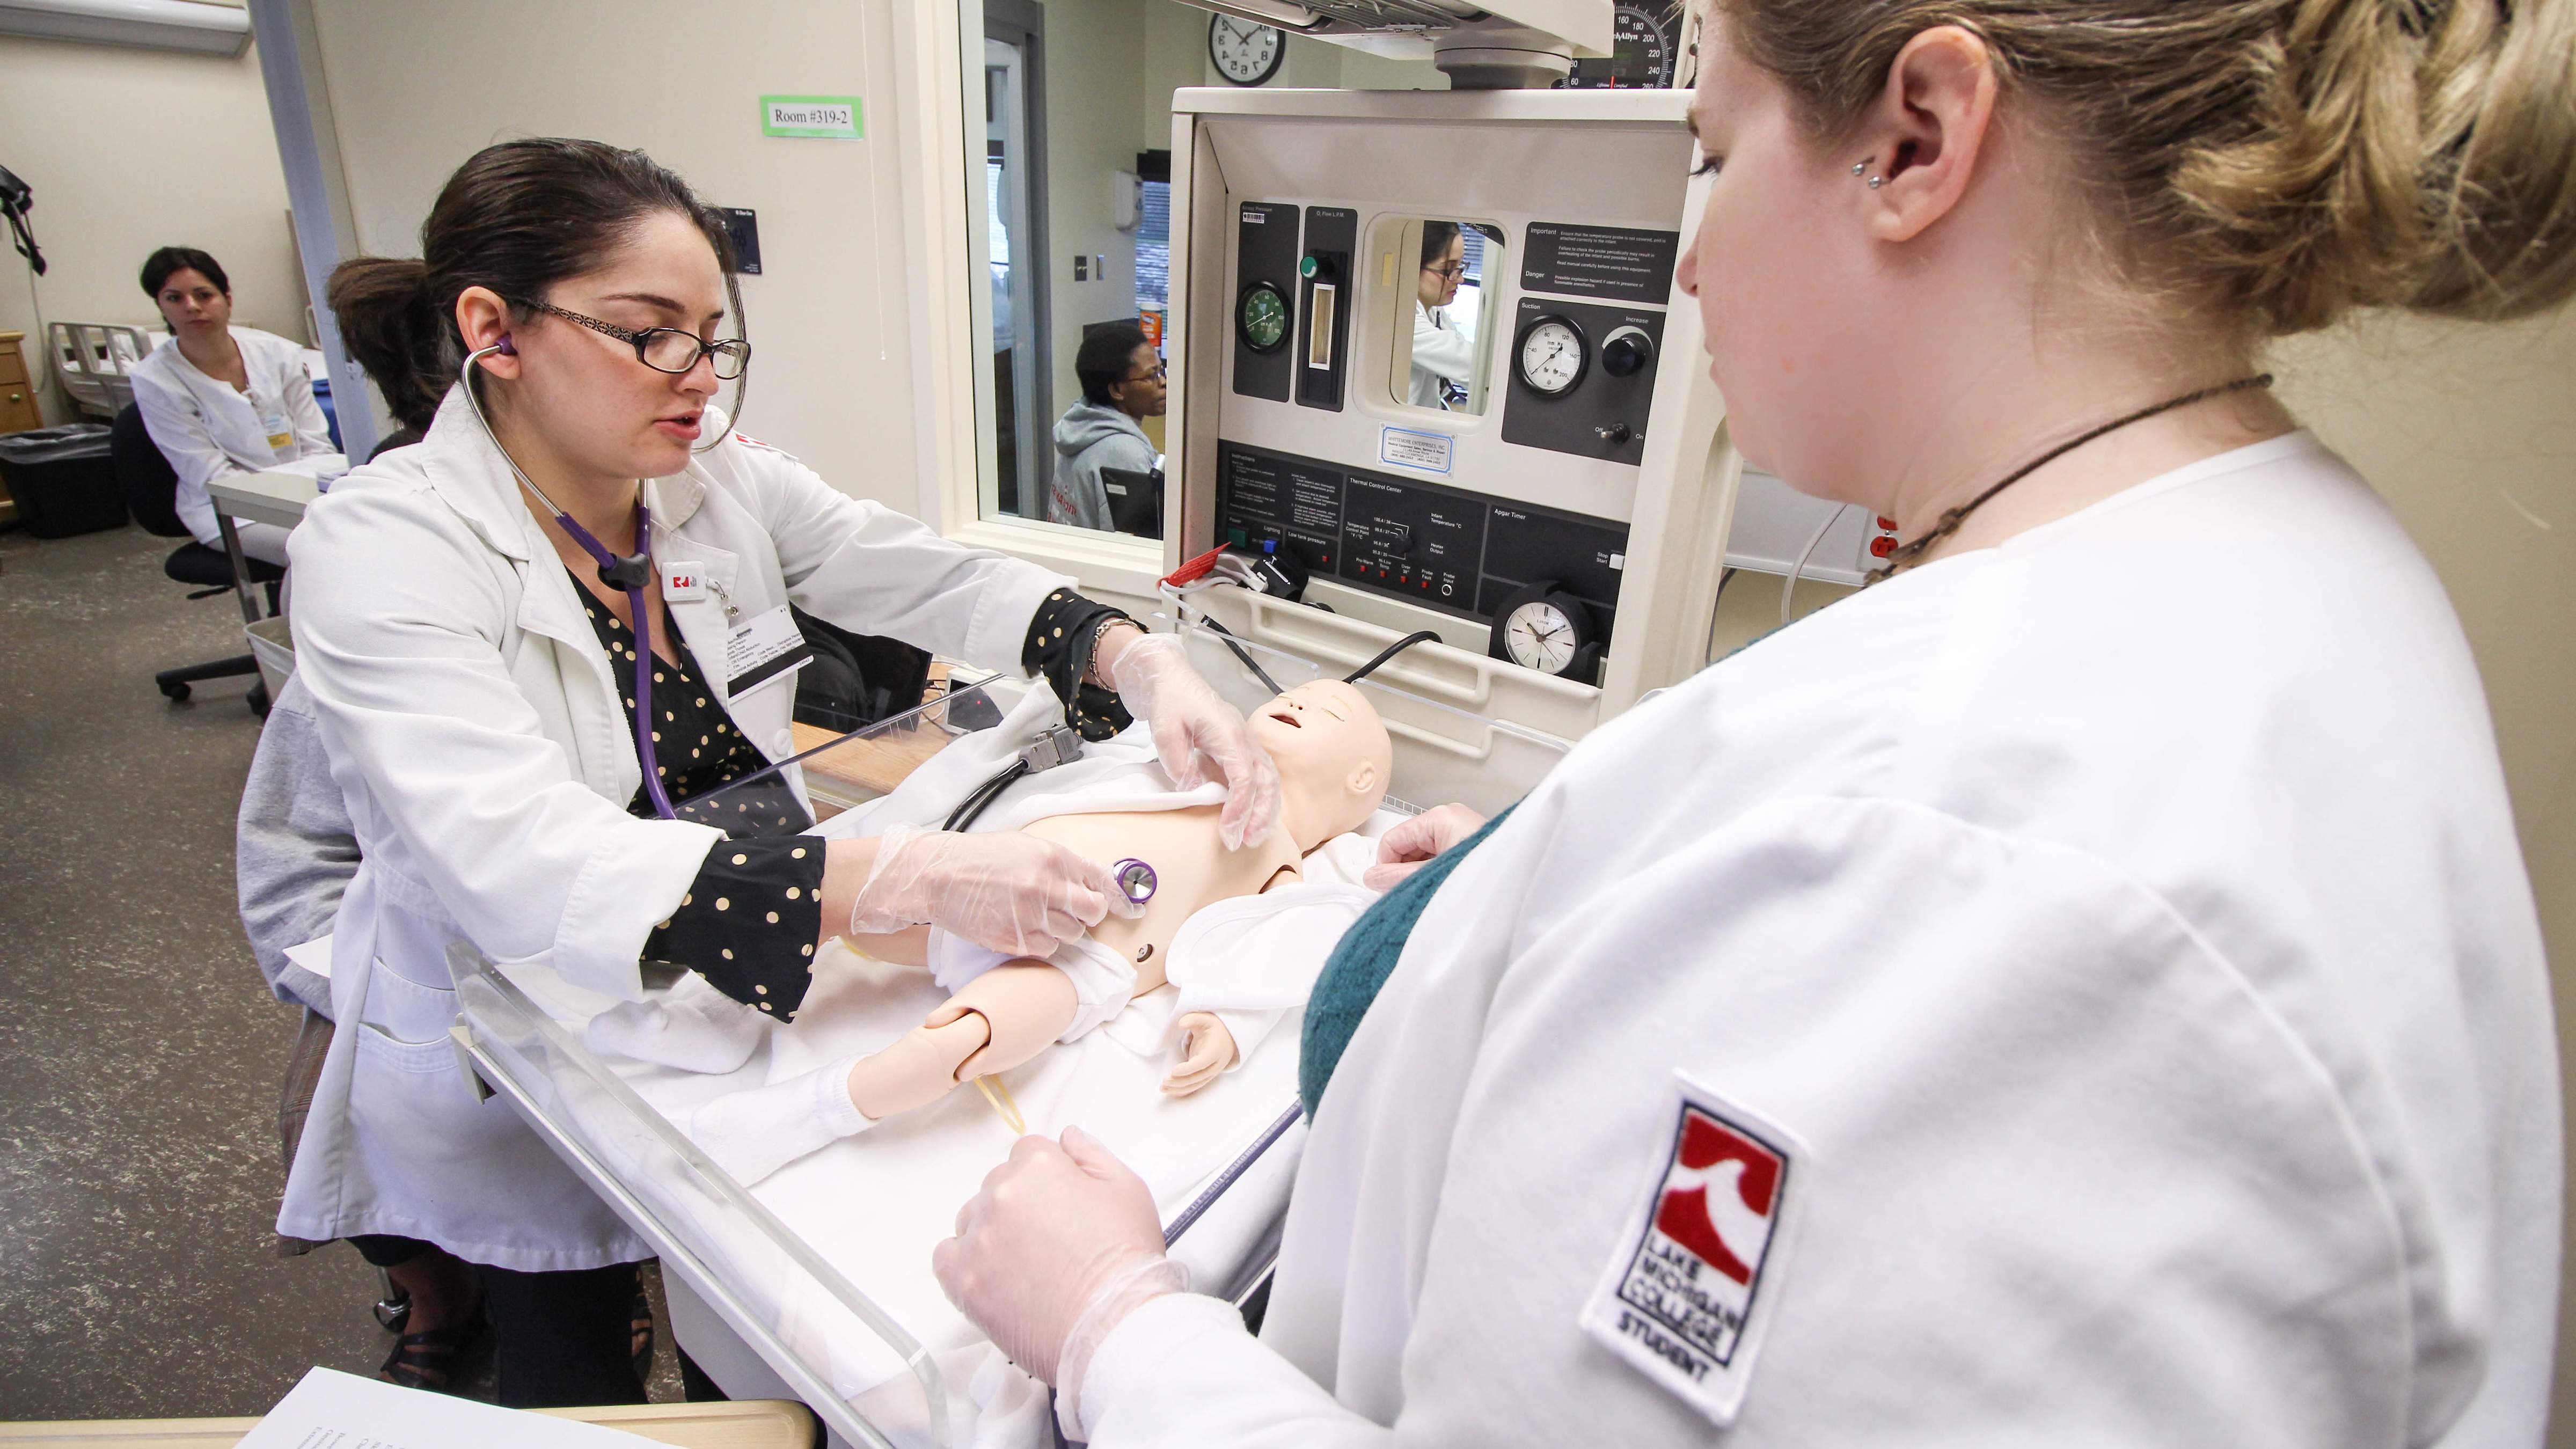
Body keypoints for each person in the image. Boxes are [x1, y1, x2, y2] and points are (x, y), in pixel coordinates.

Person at [933, 2, 2576, 1444]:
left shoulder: (1927, 847)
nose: (1691, 251)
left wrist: (1114, 1331)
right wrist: (1548, 889)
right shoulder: (2300, 565)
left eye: (1713, 151)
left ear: (1916, 140)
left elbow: (1871, 881)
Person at [277, 137, 1281, 1409]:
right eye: (652, 335)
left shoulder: (709, 484)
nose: (698, 379)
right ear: (496, 328)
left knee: (747, 1327)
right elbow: (517, 859)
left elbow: (926, 570)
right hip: (527, 1025)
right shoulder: (385, 547)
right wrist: (908, 872)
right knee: (568, 1357)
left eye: (713, 336)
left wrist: (1131, 657)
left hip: (750, 963)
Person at [129, 246, 345, 566]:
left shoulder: (277, 354)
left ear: (227, 300)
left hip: (307, 493)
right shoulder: (155, 379)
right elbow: (208, 473)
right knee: (317, 552)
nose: (192, 307)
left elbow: (316, 443)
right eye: (175, 298)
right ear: (162, 308)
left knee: (360, 537)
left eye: (204, 295)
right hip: (229, 510)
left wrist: (312, 500)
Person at [1048, 322, 1163, 530]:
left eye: (1161, 370)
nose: (1163, 382)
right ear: (1117, 390)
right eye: (1151, 376)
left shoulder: (1079, 426)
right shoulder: (1125, 453)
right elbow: (1135, 544)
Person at [1407, 222, 1473, 409]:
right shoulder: (1403, 323)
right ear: (1412, 267)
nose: (1460, 278)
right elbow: (1471, 367)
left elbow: (1459, 349)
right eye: (1448, 269)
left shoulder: (1433, 310)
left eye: (1460, 266)